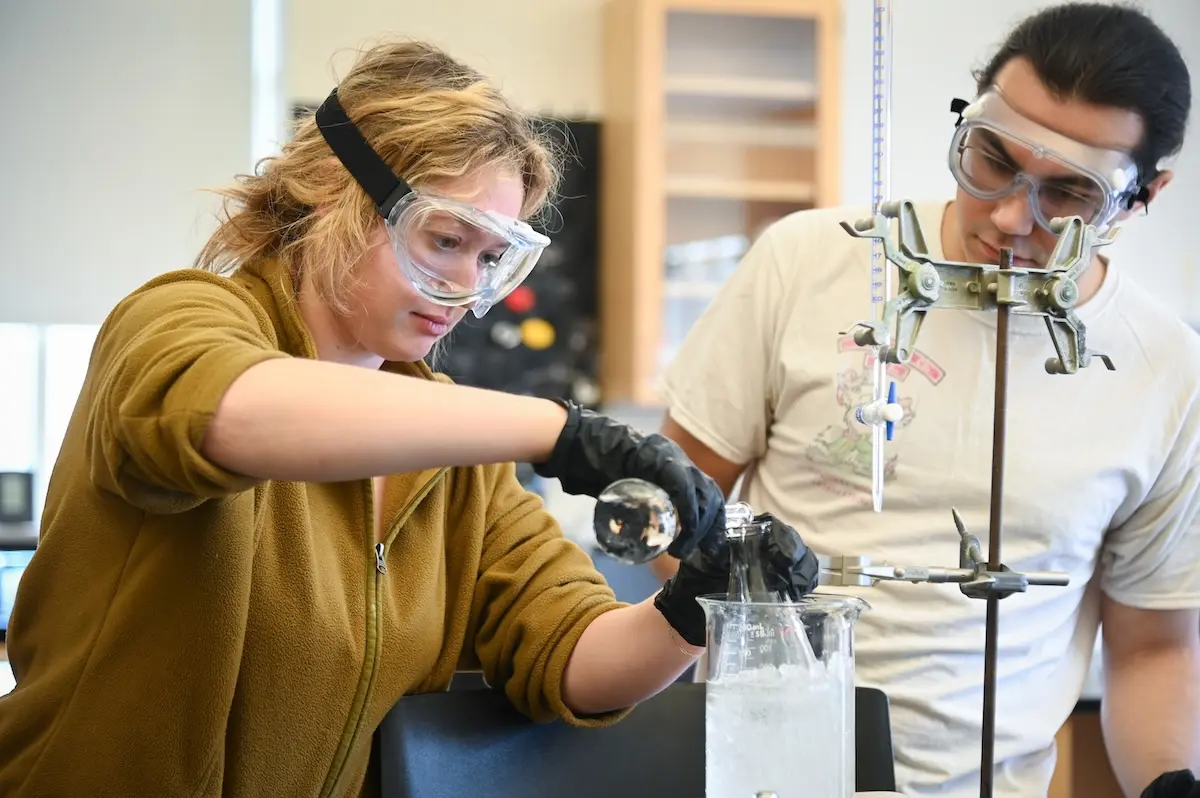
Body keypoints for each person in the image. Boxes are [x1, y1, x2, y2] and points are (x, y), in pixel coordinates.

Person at [0, 40, 819, 796]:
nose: (465, 287)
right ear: (334, 195)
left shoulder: (454, 459)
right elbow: (224, 416)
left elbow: (572, 654)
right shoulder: (180, 317)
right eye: (444, 240)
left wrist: (697, 605)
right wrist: (556, 430)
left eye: (490, 258)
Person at [648, 4, 1200, 798]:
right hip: (772, 775)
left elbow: (1152, 649)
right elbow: (677, 515)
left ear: (1143, 196)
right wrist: (768, 641)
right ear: (969, 112)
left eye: (1070, 194)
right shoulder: (808, 262)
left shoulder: (1168, 369)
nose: (1012, 217)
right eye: (991, 160)